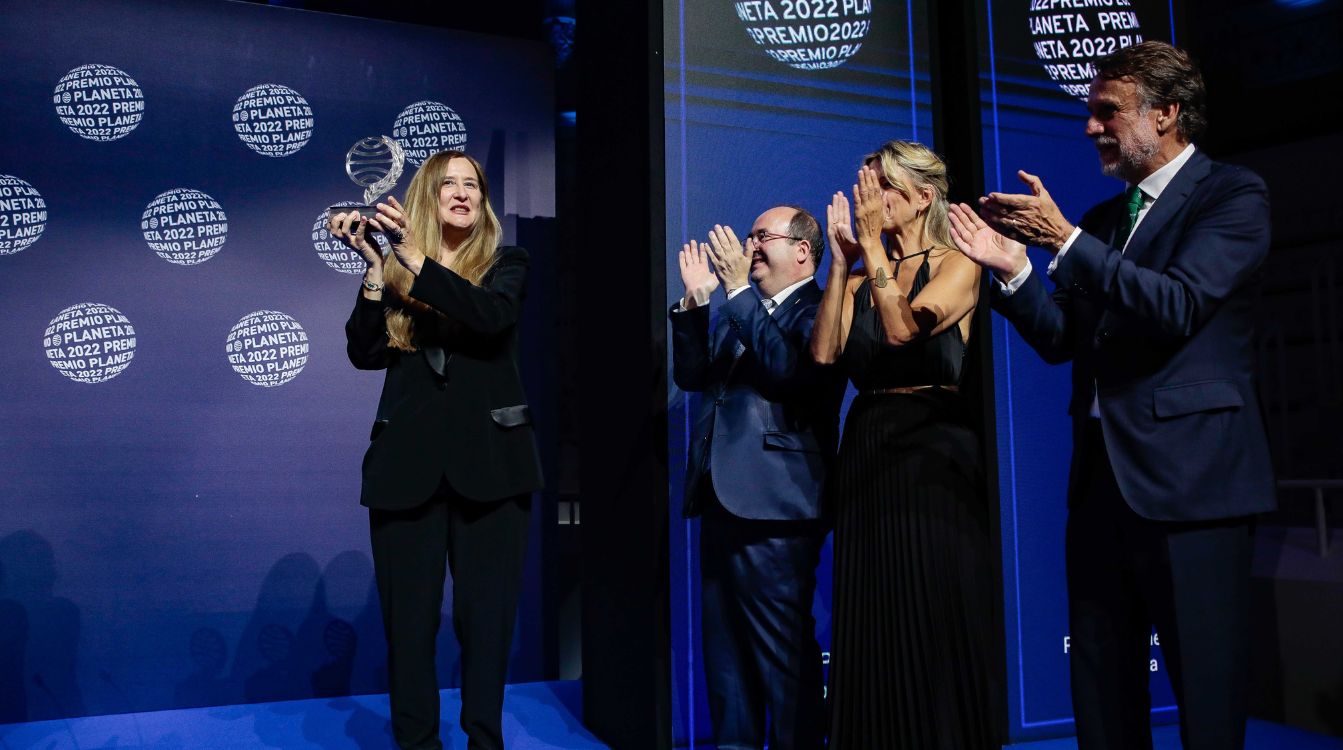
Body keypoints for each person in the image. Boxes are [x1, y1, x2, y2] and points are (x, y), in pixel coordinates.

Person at [948, 41, 1274, 750]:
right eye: (1090, 113)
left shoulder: (1231, 195)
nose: (1090, 128)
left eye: (1107, 112)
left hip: (1193, 488)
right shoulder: (1102, 221)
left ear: (1167, 113)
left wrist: (1062, 240)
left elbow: (1179, 305)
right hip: (1101, 484)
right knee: (1099, 685)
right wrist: (1012, 273)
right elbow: (1064, 338)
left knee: (1206, 695)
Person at [329, 150, 543, 750]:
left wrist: (416, 261)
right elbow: (364, 353)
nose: (462, 193)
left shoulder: (507, 262)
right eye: (448, 183)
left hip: (494, 471)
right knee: (410, 628)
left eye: (472, 184)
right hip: (406, 471)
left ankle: (484, 741)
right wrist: (376, 267)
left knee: (488, 626)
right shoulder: (397, 269)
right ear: (428, 195)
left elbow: (491, 319)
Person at [810, 140, 998, 749]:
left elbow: (902, 329)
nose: (870, 199)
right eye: (864, 186)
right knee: (874, 616)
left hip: (934, 452)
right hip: (868, 449)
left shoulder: (959, 262)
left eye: (882, 187)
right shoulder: (863, 273)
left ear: (922, 197)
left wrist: (871, 252)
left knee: (933, 611)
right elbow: (824, 354)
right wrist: (841, 263)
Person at [669, 206, 845, 750]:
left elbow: (789, 374)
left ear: (802, 251)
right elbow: (694, 376)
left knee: (781, 658)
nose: (749, 246)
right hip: (721, 499)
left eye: (762, 236)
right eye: (749, 237)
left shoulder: (821, 308)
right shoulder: (737, 311)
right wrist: (698, 306)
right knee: (726, 663)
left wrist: (738, 293)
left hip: (778, 506)